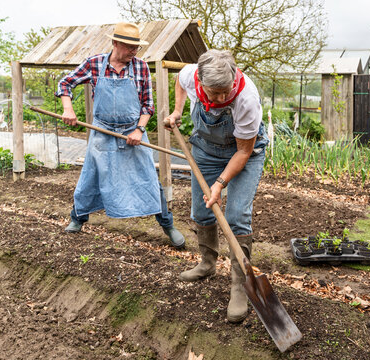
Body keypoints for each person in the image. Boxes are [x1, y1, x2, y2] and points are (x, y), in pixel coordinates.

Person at [55, 22, 185, 249]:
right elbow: (65, 83)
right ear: (115, 43)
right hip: (102, 133)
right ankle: (77, 218)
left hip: (132, 134)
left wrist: (139, 130)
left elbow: (147, 106)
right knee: (91, 177)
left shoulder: (141, 67)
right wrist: (68, 108)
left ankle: (168, 225)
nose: (135, 52)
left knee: (149, 180)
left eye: (137, 47)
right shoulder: (94, 64)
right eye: (130, 47)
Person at [165, 49, 268, 322]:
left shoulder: (246, 98)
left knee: (236, 217)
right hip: (206, 151)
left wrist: (220, 184)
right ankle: (208, 263)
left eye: (226, 91)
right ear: (200, 81)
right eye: (214, 93)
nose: (221, 98)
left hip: (245, 153)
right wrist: (177, 110)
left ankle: (239, 285)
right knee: (201, 212)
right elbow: (179, 79)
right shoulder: (191, 75)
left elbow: (243, 152)